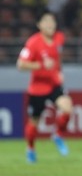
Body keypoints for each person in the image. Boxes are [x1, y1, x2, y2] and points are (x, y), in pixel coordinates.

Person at [17, 10, 73, 163]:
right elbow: (20, 64)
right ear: (39, 25)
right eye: (46, 21)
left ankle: (58, 135)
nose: (50, 24)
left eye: (52, 21)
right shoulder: (33, 42)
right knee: (34, 122)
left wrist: (59, 71)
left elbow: (57, 57)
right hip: (38, 89)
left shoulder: (59, 38)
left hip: (54, 84)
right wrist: (40, 64)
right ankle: (30, 149)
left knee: (67, 108)